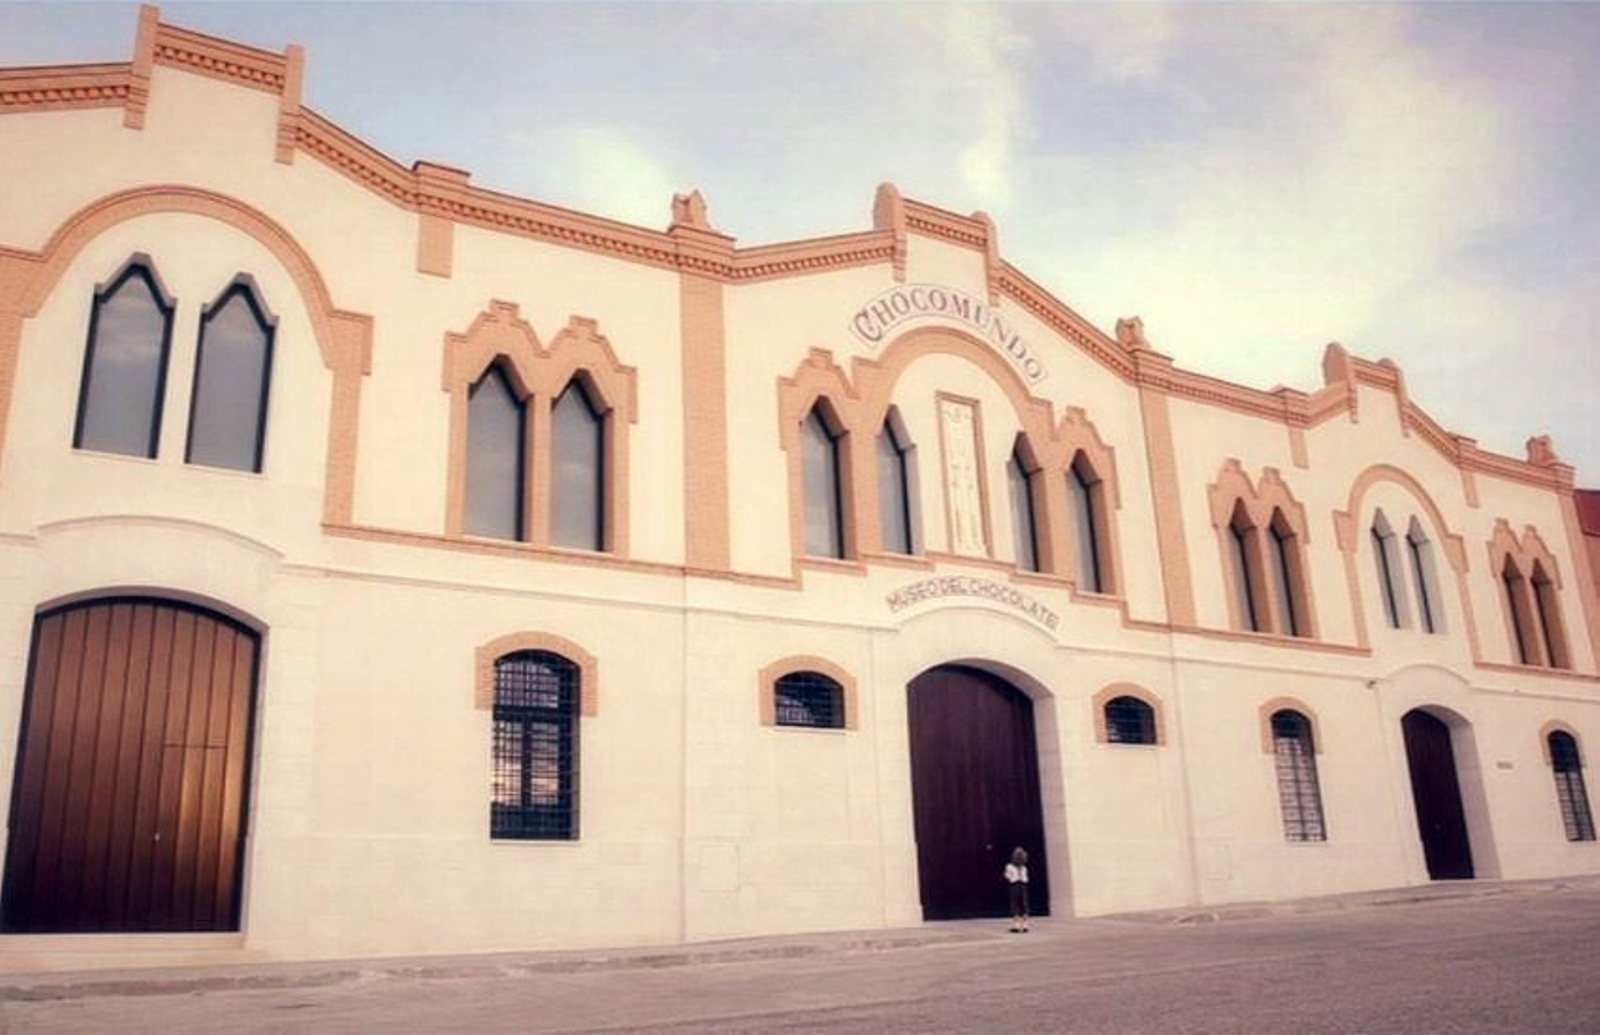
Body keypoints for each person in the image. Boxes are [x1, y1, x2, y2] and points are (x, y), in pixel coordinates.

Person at [1004, 846, 1029, 932]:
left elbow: (1007, 876)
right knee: (1024, 904)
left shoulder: (1009, 866)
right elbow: (1026, 878)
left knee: (1015, 904)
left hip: (1015, 885)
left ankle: (1017, 926)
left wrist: (1012, 879)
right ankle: (1025, 925)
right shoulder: (1024, 867)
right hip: (1023, 885)